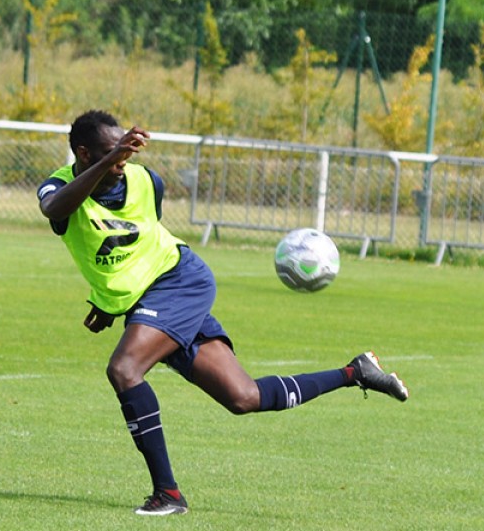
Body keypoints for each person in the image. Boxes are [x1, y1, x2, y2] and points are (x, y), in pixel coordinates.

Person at [37, 110, 409, 516]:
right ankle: (355, 372)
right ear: (84, 154)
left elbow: (147, 243)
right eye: (112, 154)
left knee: (125, 369)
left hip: (180, 282)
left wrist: (122, 303)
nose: (122, 163)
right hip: (159, 298)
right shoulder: (58, 187)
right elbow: (57, 211)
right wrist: (108, 304)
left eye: (125, 154)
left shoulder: (146, 181)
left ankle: (168, 494)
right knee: (243, 397)